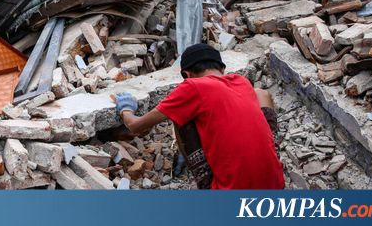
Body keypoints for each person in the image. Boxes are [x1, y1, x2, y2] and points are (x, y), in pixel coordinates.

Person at [112, 43, 284, 189]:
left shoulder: (192, 86)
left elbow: (136, 126)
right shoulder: (241, 81)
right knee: (261, 94)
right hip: (275, 185)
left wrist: (126, 109)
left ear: (187, 75)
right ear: (222, 69)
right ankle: (272, 156)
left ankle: (204, 180)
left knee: (180, 116)